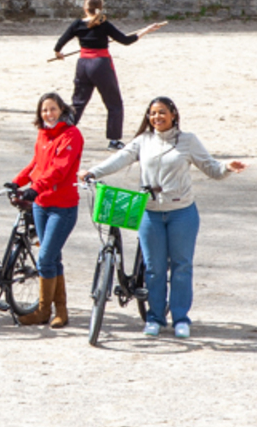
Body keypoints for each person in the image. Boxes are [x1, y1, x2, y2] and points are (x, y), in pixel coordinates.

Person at [82, 96, 245, 339]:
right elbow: (120, 159)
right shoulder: (143, 141)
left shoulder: (188, 141)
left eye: (162, 113)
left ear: (173, 115)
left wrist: (227, 168)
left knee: (181, 266)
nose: (156, 117)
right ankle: (155, 317)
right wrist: (93, 172)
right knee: (154, 269)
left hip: (182, 213)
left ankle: (180, 318)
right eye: (152, 113)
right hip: (149, 213)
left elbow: (211, 168)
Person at [51, 0, 167, 150]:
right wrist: (146, 30)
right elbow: (126, 40)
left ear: (85, 8)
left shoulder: (77, 24)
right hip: (101, 65)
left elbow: (59, 44)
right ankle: (113, 140)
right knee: (114, 103)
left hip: (83, 65)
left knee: (78, 103)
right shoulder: (103, 24)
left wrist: (59, 53)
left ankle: (62, 135)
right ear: (100, 8)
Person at [11, 92, 83, 328]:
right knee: (53, 257)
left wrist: (35, 188)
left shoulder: (72, 135)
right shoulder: (43, 134)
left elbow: (59, 170)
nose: (48, 114)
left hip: (62, 207)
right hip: (42, 205)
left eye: (52, 109)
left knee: (45, 257)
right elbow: (37, 164)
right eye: (44, 110)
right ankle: (60, 310)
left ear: (62, 110)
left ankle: (44, 310)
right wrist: (17, 181)